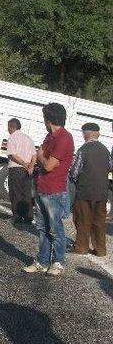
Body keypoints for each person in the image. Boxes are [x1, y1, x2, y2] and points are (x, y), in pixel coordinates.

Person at [23, 103, 74, 276]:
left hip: (54, 190)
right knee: (42, 228)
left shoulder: (64, 138)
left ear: (49, 119)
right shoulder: (49, 136)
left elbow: (49, 164)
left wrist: (40, 156)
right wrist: (41, 157)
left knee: (55, 229)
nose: (44, 121)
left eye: (44, 118)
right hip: (42, 186)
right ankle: (42, 261)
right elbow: (43, 158)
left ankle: (58, 262)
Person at [68, 123, 111, 257]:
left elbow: (74, 172)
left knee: (82, 220)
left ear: (86, 133)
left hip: (85, 192)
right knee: (99, 222)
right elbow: (110, 166)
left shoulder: (83, 150)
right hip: (102, 192)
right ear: (97, 134)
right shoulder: (105, 150)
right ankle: (100, 250)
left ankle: (81, 247)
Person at [6, 118, 36, 223]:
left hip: (16, 168)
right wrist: (31, 166)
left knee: (15, 193)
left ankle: (17, 216)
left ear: (11, 127)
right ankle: (28, 217)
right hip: (27, 170)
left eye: (8, 127)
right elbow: (34, 155)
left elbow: (12, 155)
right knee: (26, 193)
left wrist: (23, 163)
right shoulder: (28, 138)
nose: (8, 129)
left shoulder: (12, 138)